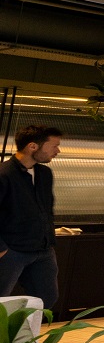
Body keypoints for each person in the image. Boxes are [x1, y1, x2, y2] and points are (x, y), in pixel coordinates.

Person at [0, 125, 62, 310]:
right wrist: (2, 247)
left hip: (42, 249)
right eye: (54, 146)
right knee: (1, 298)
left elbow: (46, 208)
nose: (57, 151)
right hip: (12, 249)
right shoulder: (5, 174)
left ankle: (23, 338)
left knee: (46, 298)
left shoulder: (44, 173)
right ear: (33, 146)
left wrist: (49, 239)